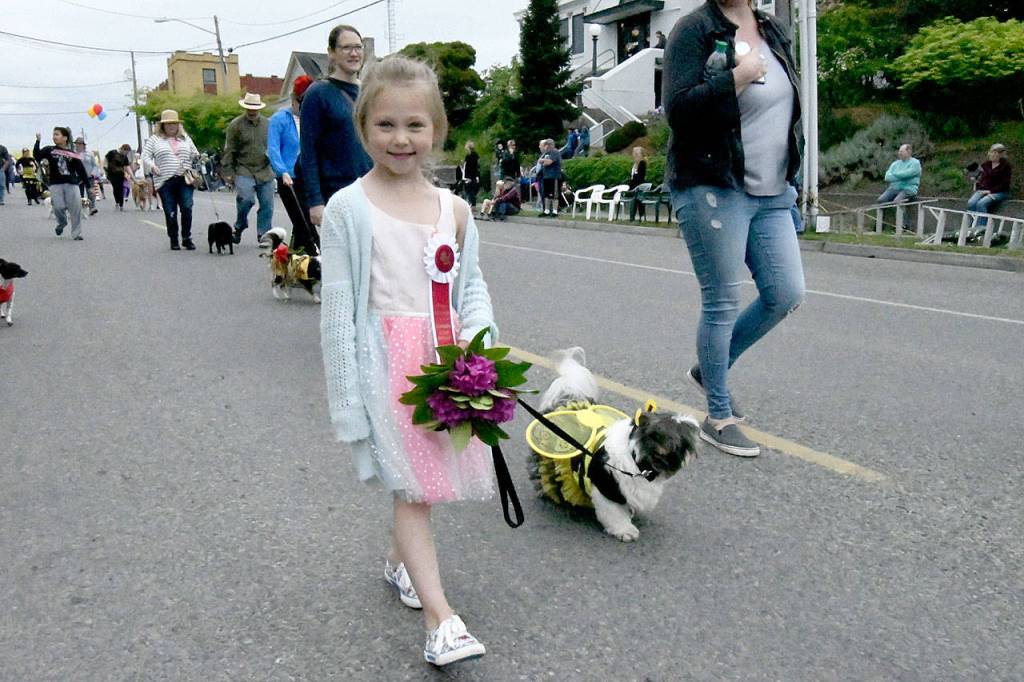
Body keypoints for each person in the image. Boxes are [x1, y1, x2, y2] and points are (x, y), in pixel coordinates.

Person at [319, 56, 496, 668]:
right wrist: (346, 402)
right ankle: (440, 619)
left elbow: (470, 290)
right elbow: (337, 311)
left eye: (415, 125)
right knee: (415, 491)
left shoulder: (456, 211)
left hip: (444, 368)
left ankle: (399, 564)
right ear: (364, 125)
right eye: (387, 125)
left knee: (418, 484)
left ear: (437, 129)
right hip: (385, 368)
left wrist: (480, 353)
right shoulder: (348, 208)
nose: (401, 139)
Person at [664, 0, 805, 458]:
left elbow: (786, 110)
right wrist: (736, 78)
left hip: (773, 190)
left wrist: (794, 178)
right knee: (723, 299)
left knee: (784, 293)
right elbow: (678, 110)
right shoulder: (694, 30)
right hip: (713, 185)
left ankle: (710, 369)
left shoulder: (773, 29)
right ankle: (718, 415)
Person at [300, 24, 373, 232]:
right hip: (336, 194)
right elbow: (308, 151)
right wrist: (315, 201)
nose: (354, 53)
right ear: (332, 53)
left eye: (358, 47)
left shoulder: (370, 91)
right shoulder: (318, 93)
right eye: (346, 48)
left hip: (372, 190)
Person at [269, 75, 318, 253]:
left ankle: (295, 260)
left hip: (310, 176)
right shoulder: (279, 119)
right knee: (302, 220)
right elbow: (273, 149)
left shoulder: (314, 118)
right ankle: (316, 252)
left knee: (305, 220)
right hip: (289, 177)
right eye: (302, 101)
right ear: (294, 99)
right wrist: (282, 172)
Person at [142, 109, 200, 250]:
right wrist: (153, 166)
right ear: (162, 125)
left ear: (178, 125)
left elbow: (195, 153)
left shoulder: (185, 138)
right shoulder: (154, 139)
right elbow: (145, 156)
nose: (171, 126)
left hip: (184, 178)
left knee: (187, 207)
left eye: (174, 123)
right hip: (164, 180)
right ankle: (174, 238)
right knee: (170, 211)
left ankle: (186, 237)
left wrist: (196, 158)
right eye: (168, 124)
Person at [223, 93, 275, 246]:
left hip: (265, 169)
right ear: (245, 108)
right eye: (249, 108)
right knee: (246, 199)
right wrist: (228, 172)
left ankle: (264, 234)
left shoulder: (269, 124)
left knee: (267, 204)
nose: (252, 111)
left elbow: (275, 146)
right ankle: (239, 226)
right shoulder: (235, 125)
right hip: (244, 168)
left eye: (255, 108)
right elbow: (230, 149)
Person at [34, 126, 90, 240]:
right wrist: (38, 141)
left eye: (57, 134)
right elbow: (37, 155)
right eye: (53, 134)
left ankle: (76, 233)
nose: (54, 137)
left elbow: (80, 169)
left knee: (75, 208)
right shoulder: (50, 150)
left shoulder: (72, 153)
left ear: (65, 138)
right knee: (58, 207)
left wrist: (88, 185)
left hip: (72, 183)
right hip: (56, 183)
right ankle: (62, 222)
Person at [967, 143, 1012, 239]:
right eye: (991, 152)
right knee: (971, 203)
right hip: (983, 190)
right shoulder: (985, 165)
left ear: (999, 154)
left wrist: (990, 191)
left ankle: (981, 230)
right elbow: (980, 178)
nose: (991, 155)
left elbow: (1005, 184)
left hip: (999, 192)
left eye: (994, 153)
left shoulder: (1006, 167)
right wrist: (977, 183)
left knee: (982, 203)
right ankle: (972, 227)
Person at [877, 143, 921, 231]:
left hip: (908, 189)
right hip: (893, 188)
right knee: (881, 200)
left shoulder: (915, 163)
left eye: (901, 151)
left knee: (897, 201)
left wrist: (895, 175)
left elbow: (909, 174)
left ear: (908, 152)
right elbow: (887, 177)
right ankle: (879, 224)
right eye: (899, 151)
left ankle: (905, 225)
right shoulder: (895, 164)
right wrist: (901, 176)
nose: (899, 153)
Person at [74, 137, 100, 215]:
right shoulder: (73, 154)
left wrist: (93, 173)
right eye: (76, 144)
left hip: (89, 176)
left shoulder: (89, 154)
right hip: (78, 177)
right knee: (79, 194)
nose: (77, 145)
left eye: (79, 144)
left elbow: (95, 165)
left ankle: (92, 208)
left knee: (91, 193)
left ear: (83, 145)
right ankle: (80, 209)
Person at [537, 138, 561, 217]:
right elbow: (542, 162)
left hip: (554, 176)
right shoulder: (547, 153)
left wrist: (543, 161)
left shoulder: (555, 152)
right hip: (546, 176)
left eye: (547, 145)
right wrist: (544, 161)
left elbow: (549, 162)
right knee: (546, 195)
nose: (546, 147)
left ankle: (554, 211)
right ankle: (546, 211)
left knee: (554, 195)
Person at [104, 145, 129, 211]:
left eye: (127, 153)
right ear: (122, 149)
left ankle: (121, 205)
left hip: (120, 174)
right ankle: (117, 201)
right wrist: (105, 167)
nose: (126, 154)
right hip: (112, 174)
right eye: (125, 152)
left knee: (120, 188)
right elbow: (106, 159)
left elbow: (127, 167)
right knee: (115, 188)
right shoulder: (112, 153)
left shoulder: (125, 157)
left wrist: (129, 175)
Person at [627, 146, 649, 219]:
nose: (635, 155)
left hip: (639, 185)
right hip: (634, 186)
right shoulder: (635, 164)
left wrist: (634, 178)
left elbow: (640, 176)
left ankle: (640, 216)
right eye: (634, 153)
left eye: (637, 153)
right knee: (634, 200)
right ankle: (632, 216)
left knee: (638, 200)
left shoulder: (642, 163)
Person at [461, 141, 480, 208]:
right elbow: (477, 166)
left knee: (469, 190)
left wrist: (466, 177)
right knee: (472, 190)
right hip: (474, 175)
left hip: (469, 176)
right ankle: (473, 204)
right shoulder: (476, 155)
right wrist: (477, 176)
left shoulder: (468, 156)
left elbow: (468, 168)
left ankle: (472, 204)